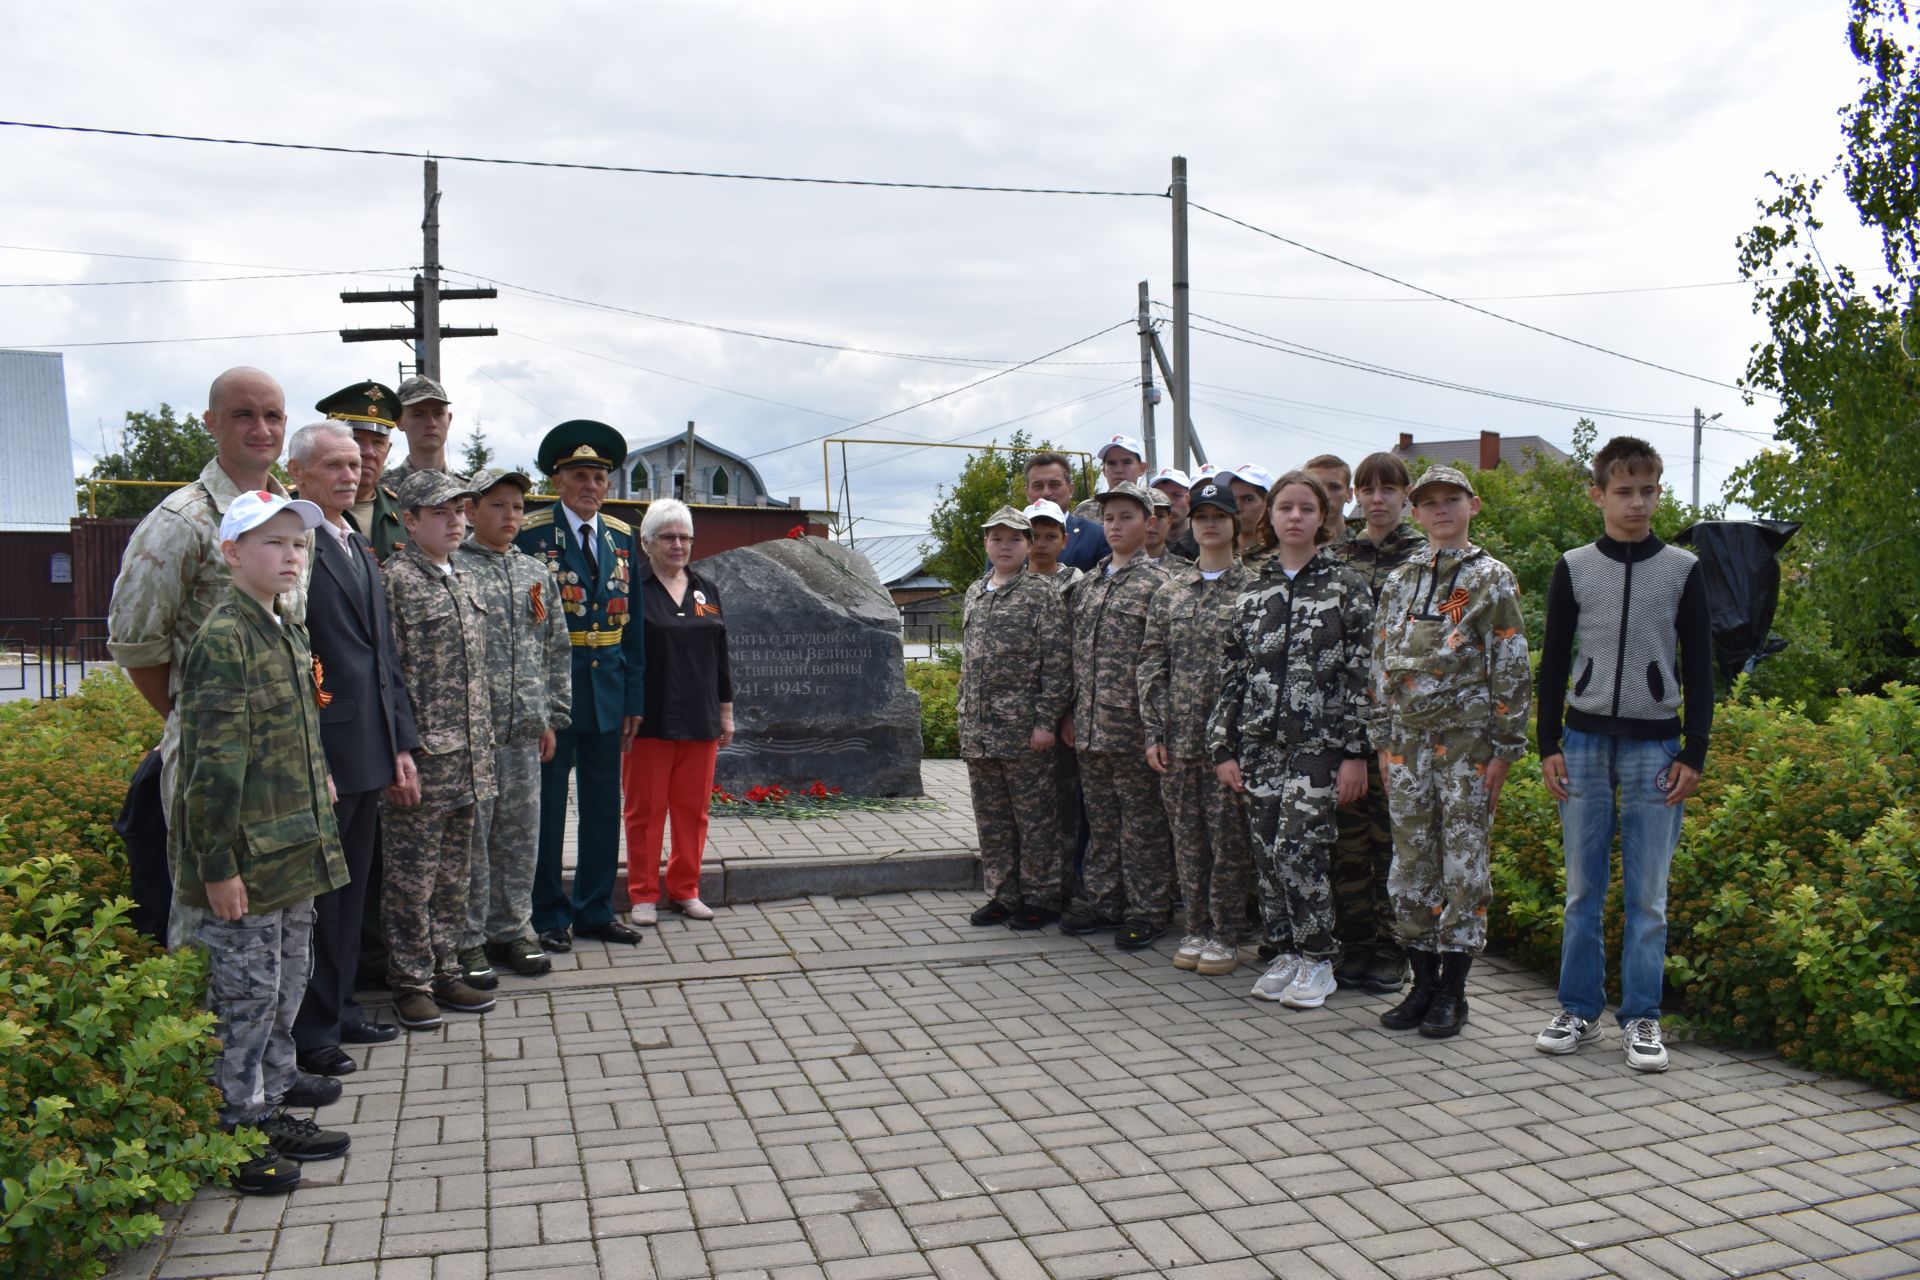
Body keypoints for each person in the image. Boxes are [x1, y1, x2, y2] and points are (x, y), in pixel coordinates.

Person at [170, 490, 352, 1194]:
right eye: (273, 543)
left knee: (283, 984)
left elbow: (293, 739)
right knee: (242, 999)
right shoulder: (224, 639)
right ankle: (235, 1135)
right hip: (245, 860)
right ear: (232, 554)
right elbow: (211, 769)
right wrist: (216, 867)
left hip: (293, 849)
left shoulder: (286, 628)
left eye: (297, 544)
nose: (289, 555)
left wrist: (322, 788)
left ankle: (271, 1098)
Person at [107, 366, 310, 945]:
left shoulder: (291, 516)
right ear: (211, 423)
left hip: (284, 765)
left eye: (272, 415)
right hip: (215, 769)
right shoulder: (181, 521)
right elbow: (138, 646)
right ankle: (206, 1039)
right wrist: (189, 723)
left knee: (278, 931)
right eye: (243, 414)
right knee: (211, 930)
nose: (261, 428)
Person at [1535, 437, 1712, 1073]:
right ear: (1599, 495)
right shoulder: (1575, 565)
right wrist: (1547, 741)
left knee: (1648, 895)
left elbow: (1699, 660)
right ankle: (1578, 1010)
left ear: (1658, 493)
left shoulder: (1684, 568)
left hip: (1656, 744)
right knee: (1584, 890)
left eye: (1648, 491)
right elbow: (1554, 657)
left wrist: (1695, 749)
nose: (1637, 503)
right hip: (1581, 744)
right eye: (1624, 491)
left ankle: (1642, 1017)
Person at [1368, 465, 1531, 1039]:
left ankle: (1454, 993)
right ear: (1416, 512)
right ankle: (1423, 983)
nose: (1441, 510)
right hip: (1407, 749)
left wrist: (1507, 749)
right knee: (1410, 863)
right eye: (1429, 502)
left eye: (1452, 500)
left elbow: (1510, 665)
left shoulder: (1491, 578)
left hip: (1467, 749)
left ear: (1473, 505)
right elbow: (1380, 663)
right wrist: (1383, 742)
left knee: (1464, 867)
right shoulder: (1399, 581)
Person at [1209, 472, 1373, 1008]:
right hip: (1259, 744)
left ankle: (1320, 959)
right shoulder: (1252, 588)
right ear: (1270, 517)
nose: (1296, 517)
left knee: (1299, 851)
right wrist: (1223, 746)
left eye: (1307, 508)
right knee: (1266, 854)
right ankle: (1285, 950)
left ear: (1323, 517)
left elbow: (1363, 673)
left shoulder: (1346, 585)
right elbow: (1231, 669)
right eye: (1286, 508)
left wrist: (1355, 752)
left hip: (1318, 747)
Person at [284, 421, 418, 1077]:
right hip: (328, 752)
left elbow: (381, 654)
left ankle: (338, 1009)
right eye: (333, 465)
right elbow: (300, 660)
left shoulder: (353, 538)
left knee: (355, 887)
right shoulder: (297, 543)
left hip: (369, 747)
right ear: (299, 474)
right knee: (323, 897)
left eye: (355, 464)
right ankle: (311, 1029)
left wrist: (400, 743)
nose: (349, 473)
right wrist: (314, 754)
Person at [516, 421, 647, 951]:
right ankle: (548, 913)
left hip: (609, 692)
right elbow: (523, 629)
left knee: (601, 806)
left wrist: (634, 698)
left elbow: (634, 625)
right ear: (557, 480)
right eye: (578, 475)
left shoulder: (620, 536)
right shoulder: (531, 533)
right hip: (555, 695)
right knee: (546, 809)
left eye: (598, 476)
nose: (589, 485)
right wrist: (535, 703)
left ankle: (594, 909)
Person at [382, 470, 498, 1029]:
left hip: (470, 759)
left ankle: (446, 966)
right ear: (409, 520)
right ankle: (410, 981)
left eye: (460, 509)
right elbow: (388, 678)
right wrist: (399, 752)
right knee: (412, 878)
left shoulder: (466, 577)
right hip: (424, 761)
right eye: (440, 512)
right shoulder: (396, 582)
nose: (455, 520)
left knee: (456, 874)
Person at [454, 469, 573, 982]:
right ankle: (469, 939)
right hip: (470, 734)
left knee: (520, 837)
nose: (511, 517)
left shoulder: (535, 573)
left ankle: (513, 931)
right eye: (499, 506)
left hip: (525, 730)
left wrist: (552, 715)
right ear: (471, 510)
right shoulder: (454, 568)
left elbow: (555, 648)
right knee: (472, 842)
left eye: (518, 508)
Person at [1139, 478, 1253, 977]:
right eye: (1202, 516)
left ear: (1234, 524)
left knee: (1228, 842)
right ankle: (1197, 925)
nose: (1210, 524)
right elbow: (1151, 664)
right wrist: (1153, 733)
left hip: (1230, 745)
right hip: (1179, 741)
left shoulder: (1254, 590)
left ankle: (1226, 934)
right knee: (1188, 841)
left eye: (1219, 516)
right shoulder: (1170, 592)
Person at [1326, 452, 1427, 996]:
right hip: (1345, 719)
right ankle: (1355, 941)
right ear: (1356, 496)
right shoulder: (1338, 556)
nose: (1377, 499)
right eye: (1367, 489)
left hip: (1402, 723)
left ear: (1405, 495)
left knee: (1393, 840)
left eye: (1388, 489)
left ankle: (1392, 948)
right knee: (1347, 841)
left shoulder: (1424, 558)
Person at [1060, 481, 1173, 949]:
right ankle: (1105, 900)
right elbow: (1073, 656)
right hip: (1089, 727)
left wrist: (1157, 729)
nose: (1115, 525)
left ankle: (1149, 909)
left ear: (1149, 524)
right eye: (1108, 518)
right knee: (1103, 822)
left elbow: (1164, 663)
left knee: (1142, 824)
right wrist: (1069, 714)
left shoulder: (1161, 586)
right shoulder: (1087, 584)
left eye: (1126, 517)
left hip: (1133, 730)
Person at [958, 506, 1073, 930]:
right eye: (996, 538)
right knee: (992, 820)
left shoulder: (1041, 592)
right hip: (979, 732)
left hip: (1024, 732)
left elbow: (1058, 664)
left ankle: (1042, 897)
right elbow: (970, 663)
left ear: (1027, 546)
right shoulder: (975, 591)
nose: (1004, 546)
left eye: (1014, 539)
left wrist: (1046, 722)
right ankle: (1003, 895)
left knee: (1036, 820)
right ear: (986, 544)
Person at [622, 498, 733, 925]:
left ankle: (685, 889)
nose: (678, 545)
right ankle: (643, 894)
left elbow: (719, 652)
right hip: (647, 721)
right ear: (647, 542)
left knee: (692, 812)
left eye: (685, 537)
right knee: (644, 813)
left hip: (700, 719)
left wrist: (726, 713)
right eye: (668, 537)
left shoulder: (706, 588)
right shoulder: (634, 587)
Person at [315, 380, 407, 561]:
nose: (369, 452)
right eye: (356, 440)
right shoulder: (298, 506)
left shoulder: (405, 511)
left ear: (387, 450)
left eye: (378, 442)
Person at [1024, 451, 1106, 572]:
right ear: (1027, 492)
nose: (1046, 492)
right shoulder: (1009, 535)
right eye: (1038, 486)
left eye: (1054, 485)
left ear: (1070, 489)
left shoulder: (1097, 536)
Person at [381, 376, 465, 493]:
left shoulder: (469, 493)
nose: (431, 423)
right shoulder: (381, 491)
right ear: (399, 422)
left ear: (449, 419)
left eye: (438, 413)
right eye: (418, 414)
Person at [1072, 433, 1149, 521]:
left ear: (1141, 469)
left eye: (1126, 462)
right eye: (1111, 463)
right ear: (1104, 471)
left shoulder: (1155, 509)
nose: (1118, 470)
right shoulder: (1084, 511)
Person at [1021, 499, 1082, 591]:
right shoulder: (1007, 581)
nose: (1041, 544)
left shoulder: (1078, 584)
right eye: (1034, 536)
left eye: (1050, 537)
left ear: (1064, 541)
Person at [1223, 464, 1276, 562]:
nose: (1237, 508)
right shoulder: (1216, 555)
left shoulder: (1282, 559)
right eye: (1232, 499)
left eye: (1248, 499)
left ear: (1268, 504)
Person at [1150, 466, 1198, 560]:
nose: (1169, 502)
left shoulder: (1204, 542)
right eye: (1161, 496)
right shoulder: (1142, 545)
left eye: (1177, 495)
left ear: (1188, 499)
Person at [1304, 454, 1354, 544]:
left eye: (1335, 487)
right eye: (1316, 487)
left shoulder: (1368, 547)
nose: (1325, 495)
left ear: (1349, 494)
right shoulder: (1286, 551)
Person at [1142, 486, 1174, 563]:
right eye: (1146, 516)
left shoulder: (1186, 572)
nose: (1152, 523)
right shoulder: (1112, 568)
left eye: (1159, 516)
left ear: (1169, 522)